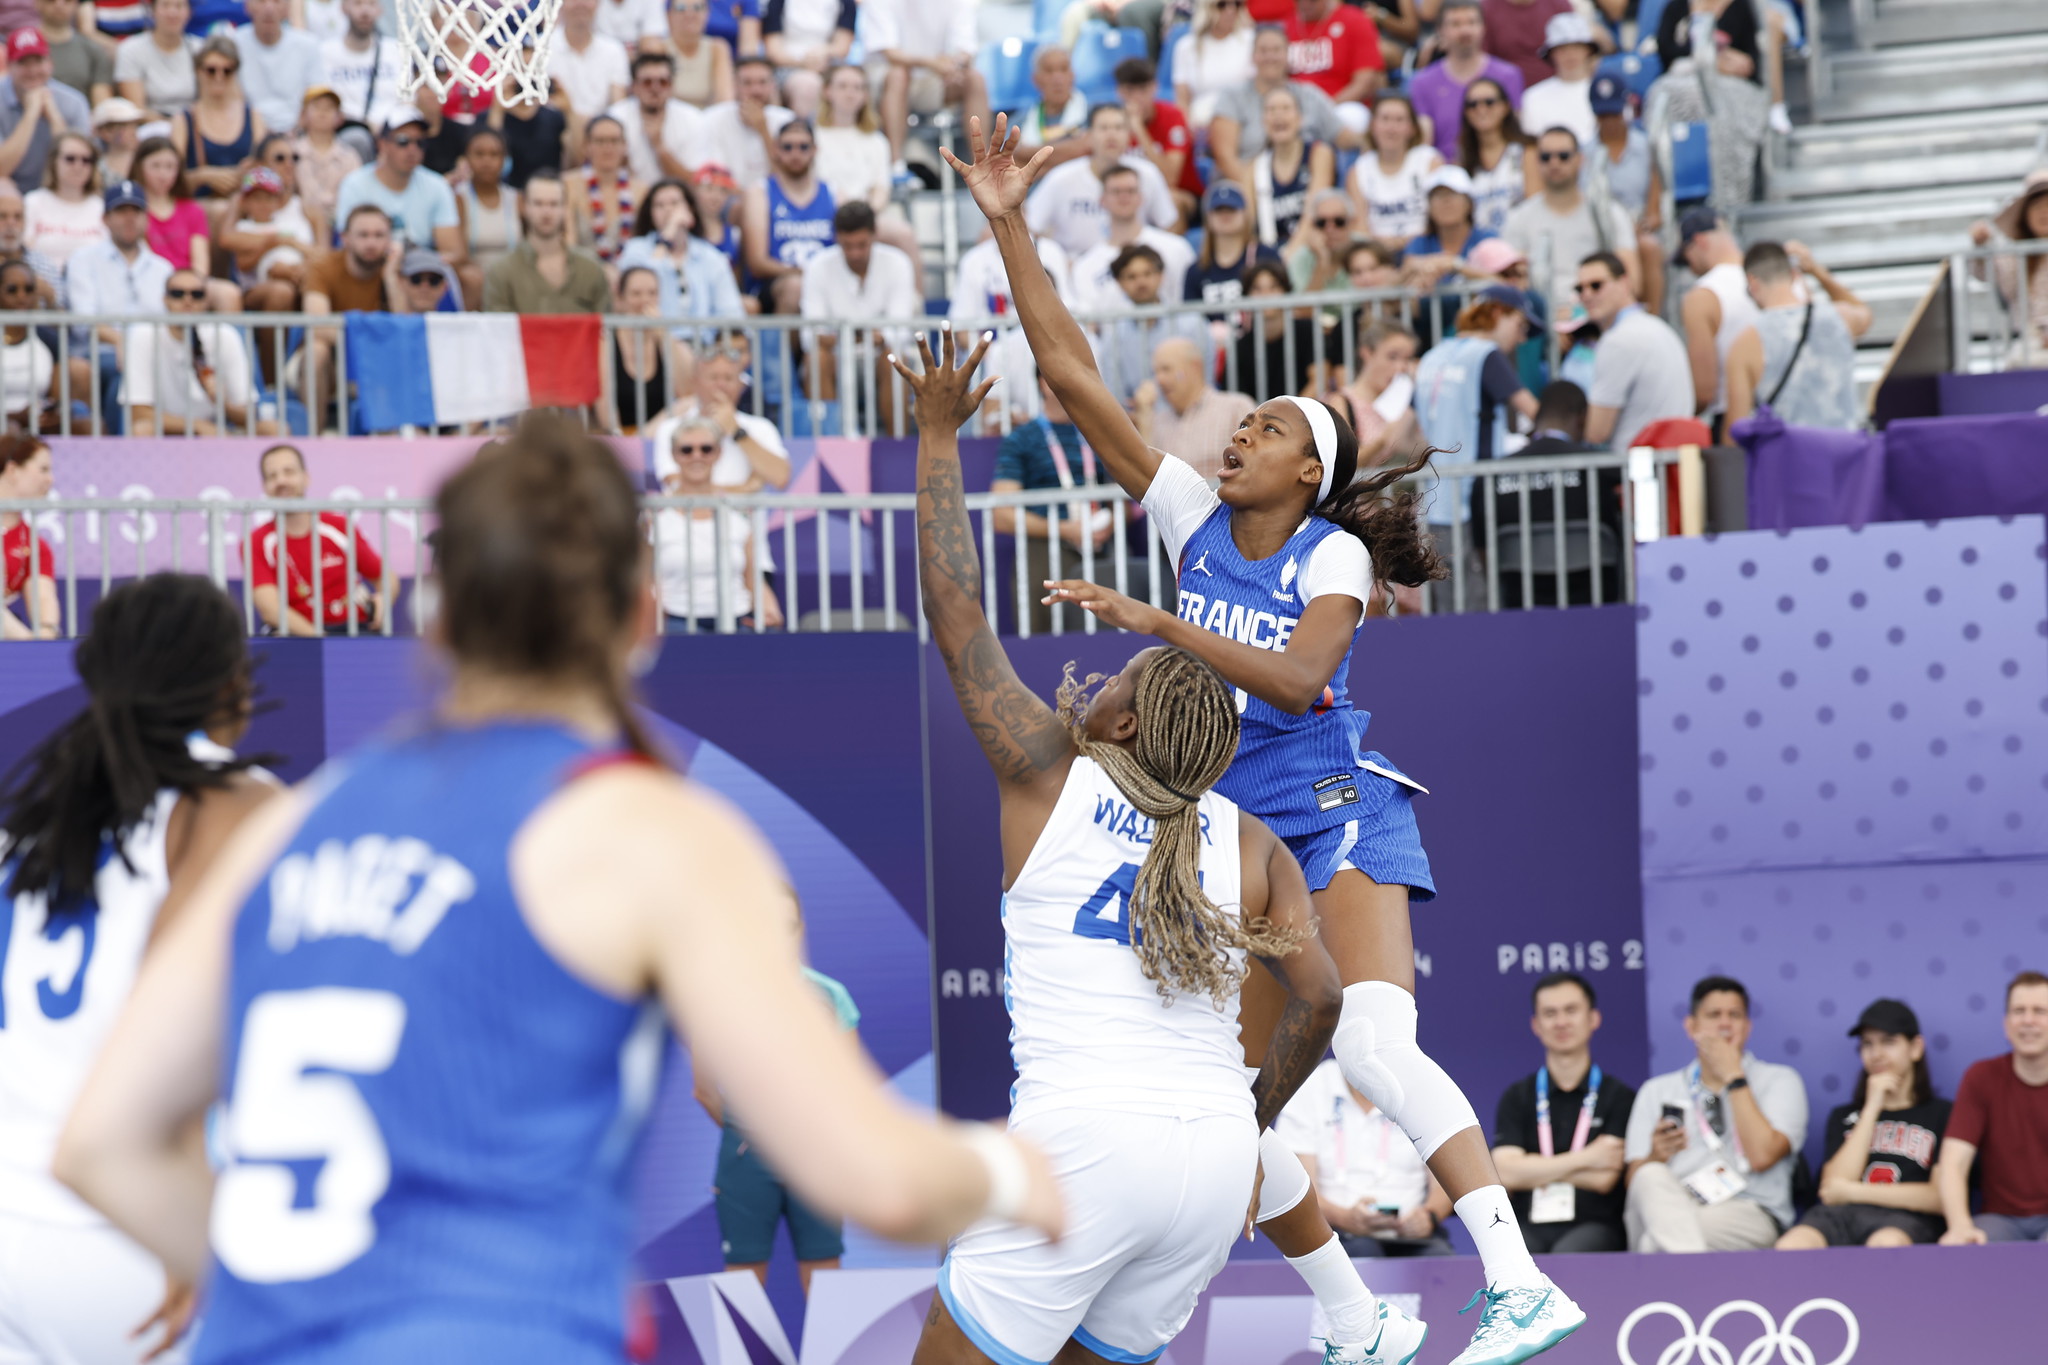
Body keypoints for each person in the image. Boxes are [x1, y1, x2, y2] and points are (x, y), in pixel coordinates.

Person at [54, 414, 1065, 1365]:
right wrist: (1010, 1174)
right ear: (642, 612)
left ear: (435, 621)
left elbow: (103, 1145)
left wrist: (291, 1298)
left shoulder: (290, 821)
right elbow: (869, 1175)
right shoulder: (643, 830)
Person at [959, 114, 1583, 1365]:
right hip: (1226, 829)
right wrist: (1008, 221)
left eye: (1267, 428)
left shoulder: (1330, 550)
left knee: (1367, 1039)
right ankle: (1354, 1316)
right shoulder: (1190, 515)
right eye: (1237, 423)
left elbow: (1301, 683)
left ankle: (1517, 1284)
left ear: (1310, 470)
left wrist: (1154, 624)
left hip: (1331, 799)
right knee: (1216, 1101)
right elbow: (1074, 377)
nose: (1236, 434)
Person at [898, 328, 1344, 1365]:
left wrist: (934, 438)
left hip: (1084, 1149)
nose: (1101, 679)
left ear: (1127, 726)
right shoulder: (1249, 835)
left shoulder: (1049, 774)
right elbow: (1317, 1000)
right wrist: (1250, 1122)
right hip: (1207, 1164)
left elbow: (956, 611)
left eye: (1120, 679)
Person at [0, 573, 274, 1363]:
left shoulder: (35, 817)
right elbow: (178, 1024)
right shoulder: (226, 801)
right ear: (234, 682)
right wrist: (186, 1211)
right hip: (117, 1223)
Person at [696, 890, 844, 1290]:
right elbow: (705, 1090)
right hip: (746, 1160)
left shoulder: (831, 996)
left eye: (787, 926)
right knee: (742, 1291)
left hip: (817, 1158)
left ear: (801, 930)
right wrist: (750, 1133)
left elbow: (848, 1089)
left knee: (827, 1291)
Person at [1623, 975, 1809, 1253]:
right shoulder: (1656, 1090)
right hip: (1673, 1202)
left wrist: (1734, 1076)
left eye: (1734, 1015)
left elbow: (1762, 1155)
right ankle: (1693, 1279)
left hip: (1748, 1208)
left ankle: (1681, 1281)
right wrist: (1655, 1156)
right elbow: (1634, 1183)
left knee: (1654, 1243)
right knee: (1650, 1175)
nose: (1725, 1024)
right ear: (1691, 1026)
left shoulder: (1780, 1080)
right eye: (1714, 1015)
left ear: (1747, 1027)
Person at [1776, 998, 1949, 1249]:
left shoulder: (1942, 1113)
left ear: (1915, 1048)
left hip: (1907, 1219)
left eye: (1888, 1042)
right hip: (1840, 1217)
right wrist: (1871, 1108)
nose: (1876, 1054)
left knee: (1886, 1244)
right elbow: (1830, 1188)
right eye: (1867, 1044)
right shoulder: (1844, 1115)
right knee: (1792, 1245)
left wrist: (1853, 1192)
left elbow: (1938, 1196)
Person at [1490, 972, 1634, 1254]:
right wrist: (1588, 1159)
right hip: (1527, 1223)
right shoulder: (1517, 1096)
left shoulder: (1620, 1096)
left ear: (1593, 1018)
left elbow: (1604, 1179)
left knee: (1572, 1252)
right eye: (1550, 1013)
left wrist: (1532, 1169)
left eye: (1571, 1010)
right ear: (1536, 1024)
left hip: (1596, 1225)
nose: (1561, 1022)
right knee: (1514, 1253)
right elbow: (1505, 1173)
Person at [1280, 1057, 1457, 1258]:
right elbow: (1299, 1189)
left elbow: (1448, 1177)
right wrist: (1345, 1218)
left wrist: (1429, 1216)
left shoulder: (1424, 1085)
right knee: (1360, 1256)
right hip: (1335, 1232)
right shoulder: (1309, 1086)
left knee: (1439, 1261)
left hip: (1414, 1235)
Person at [1468, 379, 1621, 607]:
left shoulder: (1491, 476)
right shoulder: (1603, 467)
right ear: (1581, 417)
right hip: (1595, 601)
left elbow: (1483, 550)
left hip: (1521, 603)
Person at [1936, 971, 2048, 1245]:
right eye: (2019, 1011)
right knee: (1966, 1248)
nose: (2028, 1021)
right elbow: (1953, 1163)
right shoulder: (1981, 1077)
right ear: (2006, 1024)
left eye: (2040, 1011)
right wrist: (1960, 1227)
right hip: (1998, 1222)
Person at [648, 413, 784, 630]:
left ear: (718, 453)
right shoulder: (654, 513)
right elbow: (642, 576)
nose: (696, 456)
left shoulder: (738, 511)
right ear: (674, 455)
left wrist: (768, 607)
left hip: (736, 619)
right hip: (675, 621)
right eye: (686, 450)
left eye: (706, 449)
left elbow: (750, 573)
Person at [247, 442, 393, 635]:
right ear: (265, 486)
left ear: (306, 478)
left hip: (354, 630)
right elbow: (271, 611)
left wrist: (384, 598)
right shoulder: (257, 541)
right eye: (272, 476)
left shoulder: (338, 526)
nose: (281, 480)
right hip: (297, 638)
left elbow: (386, 577)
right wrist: (322, 641)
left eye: (289, 471)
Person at [1724, 238, 1870, 431]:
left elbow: (1736, 431)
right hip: (1848, 452)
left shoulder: (1746, 343)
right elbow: (1864, 312)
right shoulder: (1840, 317)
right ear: (1794, 275)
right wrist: (1817, 271)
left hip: (1791, 457)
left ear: (1752, 282)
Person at [798, 199, 920, 420]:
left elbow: (900, 332)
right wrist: (866, 336)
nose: (854, 253)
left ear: (874, 235)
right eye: (847, 245)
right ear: (837, 239)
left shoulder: (897, 263)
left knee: (894, 357)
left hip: (878, 358)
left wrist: (844, 336)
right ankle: (828, 445)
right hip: (836, 359)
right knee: (816, 359)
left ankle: (897, 445)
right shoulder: (817, 266)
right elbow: (811, 337)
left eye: (861, 245)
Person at [64, 178, 168, 433]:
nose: (129, 218)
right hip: (99, 353)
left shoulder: (163, 268)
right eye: (121, 211)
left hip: (152, 354)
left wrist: (135, 349)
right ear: (106, 218)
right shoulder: (83, 260)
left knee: (135, 372)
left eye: (136, 211)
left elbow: (170, 322)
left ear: (146, 217)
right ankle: (115, 445)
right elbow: (83, 321)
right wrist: (122, 343)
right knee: (125, 375)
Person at [125, 266, 273, 435]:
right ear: (164, 299)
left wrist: (223, 404)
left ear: (206, 301)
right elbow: (139, 413)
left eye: (196, 294)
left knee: (273, 429)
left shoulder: (224, 335)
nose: (187, 301)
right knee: (142, 429)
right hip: (168, 432)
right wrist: (198, 426)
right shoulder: (144, 335)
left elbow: (250, 415)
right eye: (177, 294)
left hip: (219, 431)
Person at [1499, 126, 1635, 308]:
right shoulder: (1518, 218)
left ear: (1580, 159)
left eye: (1563, 156)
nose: (1554, 163)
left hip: (1597, 313)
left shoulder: (1609, 213)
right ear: (1536, 162)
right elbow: (1509, 283)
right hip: (1540, 315)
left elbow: (1632, 280)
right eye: (1546, 157)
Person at [1025, 104, 1178, 259]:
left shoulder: (1147, 174)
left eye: (1119, 128)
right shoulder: (1061, 178)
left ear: (1129, 135)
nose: (1111, 135)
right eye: (1104, 128)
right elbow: (1031, 227)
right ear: (1088, 136)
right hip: (1074, 268)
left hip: (1131, 266)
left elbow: (1170, 225)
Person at [1576, 250, 1692, 451]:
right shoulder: (1658, 328)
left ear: (1624, 283)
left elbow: (1596, 432)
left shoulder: (1618, 341)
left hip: (1638, 469)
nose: (1587, 295)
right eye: (1580, 288)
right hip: (1667, 464)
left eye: (1596, 285)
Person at [1209, 25, 1343, 195]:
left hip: (1306, 190)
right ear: (1253, 56)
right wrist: (1262, 195)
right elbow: (1225, 158)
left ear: (1288, 54)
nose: (1270, 56)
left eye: (1277, 50)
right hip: (1249, 191)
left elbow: (1343, 135)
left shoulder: (1309, 95)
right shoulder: (1232, 96)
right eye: (1263, 50)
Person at [864, 0, 987, 181]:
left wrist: (954, 65)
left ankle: (984, 164)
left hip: (932, 80)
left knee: (974, 79)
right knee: (899, 75)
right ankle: (896, 166)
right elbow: (889, 53)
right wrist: (932, 63)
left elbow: (965, 49)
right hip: (885, 81)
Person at [615, 177, 745, 341]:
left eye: (675, 203)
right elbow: (639, 285)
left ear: (690, 208)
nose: (668, 210)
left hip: (703, 351)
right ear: (651, 213)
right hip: (653, 345)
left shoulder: (711, 257)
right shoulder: (636, 249)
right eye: (659, 205)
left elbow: (731, 314)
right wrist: (667, 236)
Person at [297, 202, 400, 407]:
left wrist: (392, 278)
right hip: (334, 359)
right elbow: (319, 327)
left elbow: (404, 325)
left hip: (380, 360)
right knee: (317, 351)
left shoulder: (397, 269)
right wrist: (373, 338)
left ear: (390, 240)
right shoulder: (322, 267)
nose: (371, 243)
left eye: (379, 235)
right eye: (363, 235)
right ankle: (313, 437)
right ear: (345, 238)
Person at [814, 64, 919, 263]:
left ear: (865, 95)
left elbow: (881, 188)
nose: (850, 93)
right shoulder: (815, 137)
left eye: (858, 87)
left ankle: (914, 294)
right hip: (826, 215)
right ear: (827, 91)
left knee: (904, 234)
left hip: (868, 216)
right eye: (843, 86)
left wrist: (865, 214)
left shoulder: (877, 141)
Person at [1093, 244, 1211, 408]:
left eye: (1147, 273)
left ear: (1161, 276)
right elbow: (1115, 395)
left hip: (1193, 416)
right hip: (1139, 424)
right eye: (1131, 277)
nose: (1141, 282)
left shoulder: (1191, 323)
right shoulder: (1113, 335)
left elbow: (1206, 382)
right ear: (1120, 283)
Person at [334, 111, 464, 260]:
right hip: (370, 268)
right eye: (403, 141)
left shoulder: (438, 185)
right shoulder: (354, 184)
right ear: (382, 144)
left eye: (420, 143)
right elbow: (348, 247)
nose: (412, 149)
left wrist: (417, 268)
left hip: (421, 275)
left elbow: (452, 252)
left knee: (470, 275)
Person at [1407, 1, 1523, 162]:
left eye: (1471, 22)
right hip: (1444, 174)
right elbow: (1424, 143)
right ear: (1440, 30)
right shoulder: (1422, 82)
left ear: (1484, 27)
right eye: (1455, 24)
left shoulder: (1508, 75)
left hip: (1499, 170)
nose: (1465, 30)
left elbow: (1514, 132)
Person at [482, 169, 610, 313]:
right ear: (524, 206)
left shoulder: (591, 268)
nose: (546, 212)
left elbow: (605, 327)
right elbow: (498, 329)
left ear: (565, 208)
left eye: (554, 204)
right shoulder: (501, 271)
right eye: (538, 203)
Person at [1072, 163, 1195, 313]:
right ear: (1102, 200)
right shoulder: (1086, 265)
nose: (1124, 197)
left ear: (1141, 197)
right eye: (1116, 191)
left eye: (1131, 191)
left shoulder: (1176, 248)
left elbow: (1188, 302)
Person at [1672, 206, 1755, 425]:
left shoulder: (1702, 296)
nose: (1690, 269)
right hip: (1793, 414)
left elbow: (1704, 391)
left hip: (1736, 421)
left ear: (1699, 242)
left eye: (1687, 259)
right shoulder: (1780, 275)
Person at [740, 117, 831, 315]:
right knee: (795, 287)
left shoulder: (834, 193)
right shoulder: (760, 193)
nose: (795, 154)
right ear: (775, 151)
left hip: (824, 283)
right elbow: (757, 263)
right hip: (773, 287)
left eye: (803, 147)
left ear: (815, 150)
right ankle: (793, 347)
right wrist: (803, 273)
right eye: (787, 147)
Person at [1133, 335, 1254, 480]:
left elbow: (1256, 464)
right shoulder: (1157, 422)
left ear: (1195, 367)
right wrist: (1145, 417)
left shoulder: (1235, 408)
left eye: (1166, 369)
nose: (1159, 380)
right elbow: (1148, 480)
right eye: (1156, 373)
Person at [0, 29, 97, 195]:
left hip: (57, 192)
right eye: (23, 63)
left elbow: (79, 169)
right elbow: (1, 170)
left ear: (50, 63)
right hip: (9, 197)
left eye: (38, 61)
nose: (32, 71)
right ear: (9, 66)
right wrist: (30, 114)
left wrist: (54, 117)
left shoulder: (73, 101)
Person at [1968, 169, 2048, 367]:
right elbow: (1984, 272)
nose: (2044, 213)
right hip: (2031, 343)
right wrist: (1981, 246)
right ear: (2024, 216)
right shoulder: (2016, 257)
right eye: (2037, 207)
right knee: (2017, 362)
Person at [168, 33, 259, 203]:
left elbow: (267, 171)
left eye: (227, 70)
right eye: (211, 70)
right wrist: (202, 176)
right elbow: (170, 178)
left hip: (245, 208)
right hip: (200, 207)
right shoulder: (183, 120)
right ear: (198, 71)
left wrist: (248, 172)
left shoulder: (253, 116)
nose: (219, 77)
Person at [1114, 57, 1202, 224]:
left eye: (1143, 89)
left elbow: (1170, 177)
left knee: (1170, 200)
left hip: (1181, 194)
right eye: (1130, 90)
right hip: (1131, 194)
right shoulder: (1113, 123)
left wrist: (1138, 130)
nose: (1137, 97)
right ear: (1120, 92)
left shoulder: (1172, 117)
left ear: (1155, 87)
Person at [1348, 91, 1438, 254]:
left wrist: (1409, 241)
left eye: (1399, 120)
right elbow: (1359, 227)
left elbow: (1439, 217)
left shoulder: (1429, 161)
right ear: (1373, 126)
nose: (1391, 128)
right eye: (1385, 119)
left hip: (1426, 248)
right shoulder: (1359, 170)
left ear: (1412, 128)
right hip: (1378, 253)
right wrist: (1383, 244)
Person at [605, 265, 687, 431]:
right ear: (620, 298)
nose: (645, 301)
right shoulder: (606, 342)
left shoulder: (669, 341)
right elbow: (605, 410)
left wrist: (663, 336)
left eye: (652, 293)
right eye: (636, 294)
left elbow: (686, 392)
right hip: (619, 438)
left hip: (657, 436)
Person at [1325, 318, 1417, 466]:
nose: (1401, 367)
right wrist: (1384, 439)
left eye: (1408, 359)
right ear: (1367, 353)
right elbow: (1340, 466)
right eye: (1392, 357)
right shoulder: (1341, 402)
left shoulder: (1407, 403)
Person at [221, 164, 312, 312]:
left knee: (311, 284)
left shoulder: (291, 223)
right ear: (245, 202)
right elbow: (242, 264)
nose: (263, 204)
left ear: (278, 201)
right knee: (281, 290)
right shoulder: (242, 227)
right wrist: (269, 245)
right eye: (257, 198)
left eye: (269, 198)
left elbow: (313, 252)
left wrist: (296, 269)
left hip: (296, 276)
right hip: (256, 287)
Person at [1251, 84, 1332, 250]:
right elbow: (1250, 226)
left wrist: (1289, 254)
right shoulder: (1253, 167)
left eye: (1286, 108)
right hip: (1272, 253)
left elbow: (1314, 212)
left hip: (1312, 248)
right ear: (1263, 121)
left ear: (1300, 118)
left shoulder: (1319, 154)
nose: (1278, 115)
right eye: (1271, 110)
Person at [1283, 0, 1382, 134]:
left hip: (1339, 106)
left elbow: (1364, 82)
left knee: (1352, 117)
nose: (1305, 3)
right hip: (1293, 109)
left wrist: (1324, 109)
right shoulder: (1285, 26)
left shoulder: (1354, 19)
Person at [1183, 178, 1280, 313]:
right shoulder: (1196, 271)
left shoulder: (1266, 256)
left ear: (1245, 214)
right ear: (1208, 217)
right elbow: (1190, 320)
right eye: (1218, 209)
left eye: (1231, 209)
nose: (1225, 215)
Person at [605, 52, 700, 185]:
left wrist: (659, 146)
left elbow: (694, 181)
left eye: (663, 82)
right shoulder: (615, 117)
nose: (655, 88)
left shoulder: (692, 118)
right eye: (647, 82)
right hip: (628, 195)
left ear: (672, 87)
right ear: (634, 87)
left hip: (675, 199)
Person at [232, 0, 324, 134]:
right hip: (247, 132)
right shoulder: (233, 44)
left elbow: (317, 96)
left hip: (298, 132)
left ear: (287, 8)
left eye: (277, 1)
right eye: (261, 1)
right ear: (247, 6)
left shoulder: (309, 45)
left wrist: (296, 131)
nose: (269, 8)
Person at [0, 434, 58, 638]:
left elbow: (43, 598)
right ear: (12, 470)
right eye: (43, 469)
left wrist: (45, 635)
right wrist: (27, 641)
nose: (50, 479)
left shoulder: (34, 545)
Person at [1456, 76, 1528, 236]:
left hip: (1522, 244)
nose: (1481, 109)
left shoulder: (1526, 151)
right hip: (1480, 251)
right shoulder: (1462, 161)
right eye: (1472, 104)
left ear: (1506, 106)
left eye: (1489, 102)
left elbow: (1537, 205)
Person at [321, 0, 405, 136]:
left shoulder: (396, 50)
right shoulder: (325, 53)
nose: (365, 11)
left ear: (380, 10)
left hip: (392, 134)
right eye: (358, 3)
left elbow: (408, 101)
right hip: (346, 131)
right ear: (343, 7)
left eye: (371, 3)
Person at [1516, 12, 1597, 151]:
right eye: (1563, 49)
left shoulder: (1604, 92)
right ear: (1551, 53)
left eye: (1576, 47)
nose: (1570, 55)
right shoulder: (1533, 97)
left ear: (1588, 50)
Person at [25, 128, 104, 267]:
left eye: (86, 160)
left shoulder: (101, 207)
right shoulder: (33, 202)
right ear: (54, 162)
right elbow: (23, 250)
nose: (78, 166)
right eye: (70, 159)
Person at [1171, 0, 1255, 129]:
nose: (1231, 10)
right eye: (1222, 5)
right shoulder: (1186, 47)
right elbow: (1182, 101)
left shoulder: (1251, 40)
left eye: (1237, 4)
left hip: (1243, 122)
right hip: (1201, 126)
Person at [568, 115, 640, 265]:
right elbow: (568, 244)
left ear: (625, 146)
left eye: (614, 141)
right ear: (586, 146)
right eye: (600, 141)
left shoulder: (641, 190)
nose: (608, 148)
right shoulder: (567, 186)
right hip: (581, 272)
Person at [761, 0, 852, 118]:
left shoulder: (845, 3)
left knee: (849, 84)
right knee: (807, 86)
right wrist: (803, 63)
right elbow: (773, 51)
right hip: (788, 66)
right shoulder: (777, 2)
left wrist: (824, 53)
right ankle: (804, 132)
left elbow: (842, 47)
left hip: (828, 64)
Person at [113, 0, 197, 120]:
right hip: (150, 127)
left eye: (179, 6)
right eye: (165, 5)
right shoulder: (130, 50)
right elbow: (136, 108)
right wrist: (175, 127)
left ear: (189, 12)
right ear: (152, 11)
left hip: (194, 126)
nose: (172, 13)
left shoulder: (200, 50)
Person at [0, 261, 59, 432]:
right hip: (6, 424)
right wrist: (16, 417)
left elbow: (57, 397)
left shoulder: (49, 338)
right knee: (11, 429)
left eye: (29, 289)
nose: (22, 297)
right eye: (12, 290)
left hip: (37, 420)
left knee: (88, 425)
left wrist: (53, 413)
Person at [548, 0, 632, 119]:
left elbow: (618, 107)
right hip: (554, 129)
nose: (580, 4)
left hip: (601, 131)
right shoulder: (541, 49)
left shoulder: (614, 51)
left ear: (598, 3)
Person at [455, 125, 521, 275]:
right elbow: (460, 257)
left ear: (505, 159)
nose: (487, 161)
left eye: (494, 154)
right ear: (466, 158)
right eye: (479, 154)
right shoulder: (458, 199)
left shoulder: (517, 199)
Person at [1010, 43, 1087, 168]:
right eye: (1049, 71)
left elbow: (1087, 147)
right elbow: (1012, 163)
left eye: (1063, 69)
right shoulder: (1019, 121)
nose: (1057, 78)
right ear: (1036, 79)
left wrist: (1026, 153)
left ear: (1072, 75)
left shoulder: (1090, 113)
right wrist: (1070, 152)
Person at [294, 86, 361, 230]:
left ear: (340, 117)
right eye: (317, 107)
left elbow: (355, 196)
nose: (323, 113)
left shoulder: (350, 156)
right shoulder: (291, 153)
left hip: (340, 226)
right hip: (301, 225)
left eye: (329, 108)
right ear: (303, 115)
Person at [1480, 0, 1576, 88]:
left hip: (1559, 90)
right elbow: (1484, 60)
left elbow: (1577, 50)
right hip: (1508, 94)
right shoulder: (1488, 8)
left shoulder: (1559, 4)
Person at [38, 0, 115, 107]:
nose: (59, 5)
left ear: (76, 4)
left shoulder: (93, 50)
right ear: (37, 3)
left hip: (82, 120)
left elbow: (102, 104)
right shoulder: (23, 48)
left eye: (67, 1)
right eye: (51, 1)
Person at [671, 0, 737, 108]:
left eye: (697, 8)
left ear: (707, 13)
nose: (689, 14)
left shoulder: (718, 48)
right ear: (670, 14)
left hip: (708, 119)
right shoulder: (659, 49)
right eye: (681, 8)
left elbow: (725, 98)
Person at [92, 96, 146, 184]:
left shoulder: (145, 162)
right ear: (105, 132)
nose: (133, 132)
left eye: (135, 126)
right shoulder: (98, 168)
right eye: (124, 127)